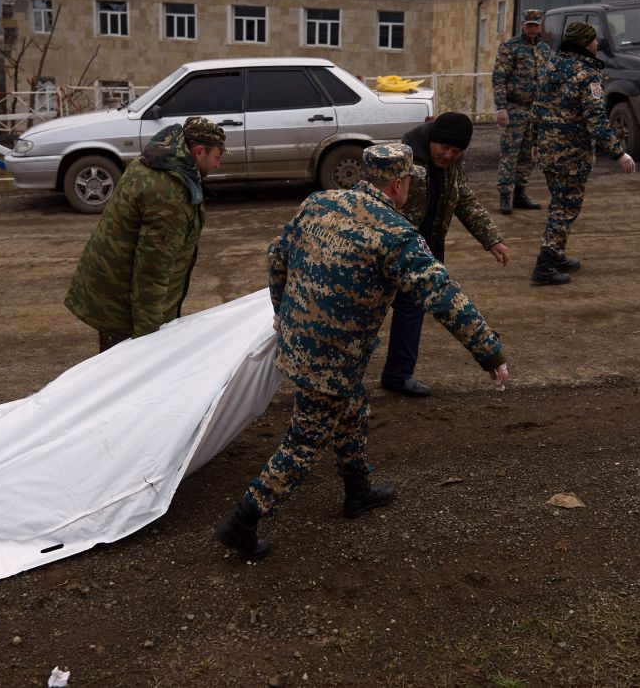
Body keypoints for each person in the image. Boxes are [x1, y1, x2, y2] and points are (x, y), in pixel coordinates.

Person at [215, 143, 510, 561]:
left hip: (301, 341)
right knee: (305, 440)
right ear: (398, 183)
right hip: (332, 355)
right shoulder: (395, 233)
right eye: (409, 182)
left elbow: (277, 255)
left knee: (351, 405)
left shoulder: (319, 202)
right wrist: (490, 353)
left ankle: (357, 488)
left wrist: (281, 308)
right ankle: (243, 521)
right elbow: (443, 296)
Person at [65, 116, 226, 352]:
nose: (218, 164)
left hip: (114, 290)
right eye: (217, 157)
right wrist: (146, 340)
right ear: (199, 151)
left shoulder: (156, 162)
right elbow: (152, 271)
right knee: (124, 378)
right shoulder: (168, 195)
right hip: (121, 308)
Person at [379, 112, 509, 398]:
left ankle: (398, 374)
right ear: (431, 141)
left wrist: (492, 240)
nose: (448, 155)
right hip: (388, 251)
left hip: (423, 252)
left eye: (456, 151)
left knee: (412, 310)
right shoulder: (404, 158)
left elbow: (464, 200)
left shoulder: (453, 166)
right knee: (369, 312)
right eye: (444, 148)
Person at [532, 21, 635, 285]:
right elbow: (596, 120)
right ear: (584, 43)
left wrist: (535, 141)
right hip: (571, 154)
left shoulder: (551, 65)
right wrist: (618, 153)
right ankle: (545, 264)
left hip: (548, 149)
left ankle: (556, 254)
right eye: (593, 39)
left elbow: (538, 108)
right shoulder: (588, 74)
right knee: (564, 207)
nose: (597, 43)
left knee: (560, 202)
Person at [492, 8, 552, 214]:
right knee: (510, 153)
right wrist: (501, 108)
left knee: (529, 154)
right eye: (529, 25)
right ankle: (505, 196)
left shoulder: (545, 49)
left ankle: (520, 193)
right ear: (522, 25)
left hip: (536, 111)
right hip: (514, 108)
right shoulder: (510, 47)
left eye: (536, 25)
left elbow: (549, 80)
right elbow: (499, 78)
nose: (533, 29)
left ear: (540, 26)